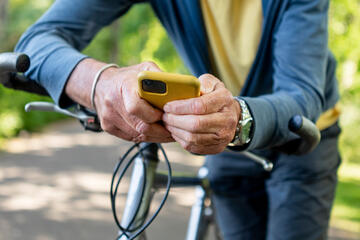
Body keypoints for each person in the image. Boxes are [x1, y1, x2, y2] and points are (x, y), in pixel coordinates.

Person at [15, 0, 341, 239]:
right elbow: (36, 44)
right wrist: (98, 82)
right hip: (225, 141)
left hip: (304, 138)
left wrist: (237, 118)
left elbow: (302, 95)